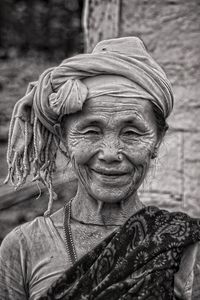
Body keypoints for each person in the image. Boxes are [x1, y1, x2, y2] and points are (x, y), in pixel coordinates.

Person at [0, 37, 200, 300]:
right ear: (63, 139)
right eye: (91, 131)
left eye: (132, 132)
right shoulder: (23, 247)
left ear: (157, 140)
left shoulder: (183, 244)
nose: (109, 154)